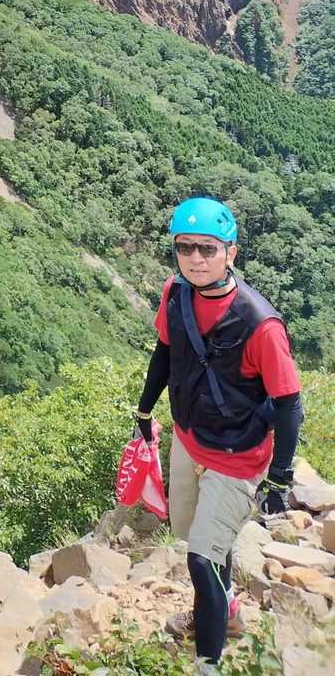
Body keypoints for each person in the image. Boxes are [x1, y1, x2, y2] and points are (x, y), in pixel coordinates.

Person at [133, 196, 304, 673]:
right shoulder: (176, 294)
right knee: (193, 536)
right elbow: (164, 352)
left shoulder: (260, 324)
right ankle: (224, 608)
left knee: (200, 560)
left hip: (237, 455)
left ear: (231, 252)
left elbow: (289, 404)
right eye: (184, 247)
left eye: (207, 248)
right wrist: (143, 410)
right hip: (189, 438)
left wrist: (279, 479)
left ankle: (207, 663)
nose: (195, 259)